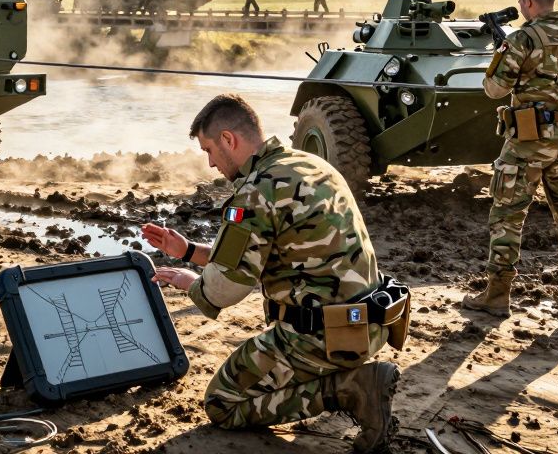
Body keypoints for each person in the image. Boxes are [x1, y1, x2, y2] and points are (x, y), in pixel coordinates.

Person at [141, 94, 404, 452]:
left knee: (222, 403)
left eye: (209, 150)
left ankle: (352, 389)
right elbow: (271, 257)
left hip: (320, 337)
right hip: (367, 325)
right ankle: (351, 379)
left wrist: (193, 286)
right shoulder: (310, 164)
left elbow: (225, 289)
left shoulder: (255, 193)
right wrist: (187, 251)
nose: (210, 164)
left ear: (229, 140)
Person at [463, 0, 558, 322]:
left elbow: (494, 91)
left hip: (527, 143)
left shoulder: (521, 39)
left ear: (527, 4)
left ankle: (497, 296)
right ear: (550, 1)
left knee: (508, 216)